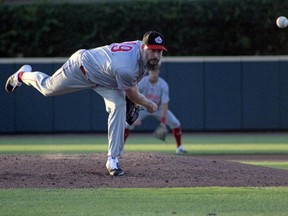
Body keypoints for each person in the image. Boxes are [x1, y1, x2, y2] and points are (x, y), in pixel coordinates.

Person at [5, 31, 167, 176]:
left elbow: (131, 85)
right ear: (143, 47)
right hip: (81, 69)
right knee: (47, 88)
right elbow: (133, 93)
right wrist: (148, 104)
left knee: (118, 105)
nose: (156, 55)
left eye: (159, 51)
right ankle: (22, 75)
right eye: (152, 50)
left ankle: (113, 159)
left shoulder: (141, 54)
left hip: (106, 78)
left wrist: (134, 100)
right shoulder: (126, 66)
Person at [124, 68, 187, 154]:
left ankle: (179, 147)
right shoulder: (142, 82)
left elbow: (165, 104)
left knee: (175, 123)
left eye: (155, 71)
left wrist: (163, 122)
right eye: (152, 71)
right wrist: (135, 113)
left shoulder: (163, 84)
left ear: (158, 72)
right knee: (127, 124)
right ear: (149, 72)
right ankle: (120, 148)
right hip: (142, 107)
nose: (154, 73)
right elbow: (134, 96)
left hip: (158, 108)